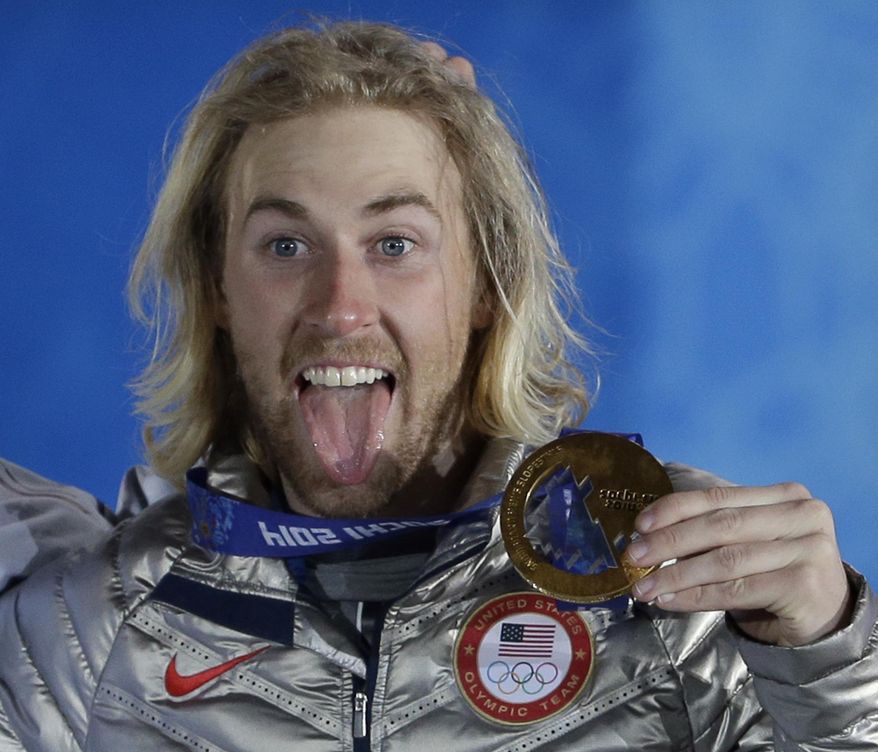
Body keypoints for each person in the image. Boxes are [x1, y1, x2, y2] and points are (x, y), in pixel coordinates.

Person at [0, 20, 875, 751]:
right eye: (285, 246)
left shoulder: (671, 604)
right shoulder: (78, 641)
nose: (341, 308)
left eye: (395, 244)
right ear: (216, 291)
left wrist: (832, 661)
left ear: (488, 284)